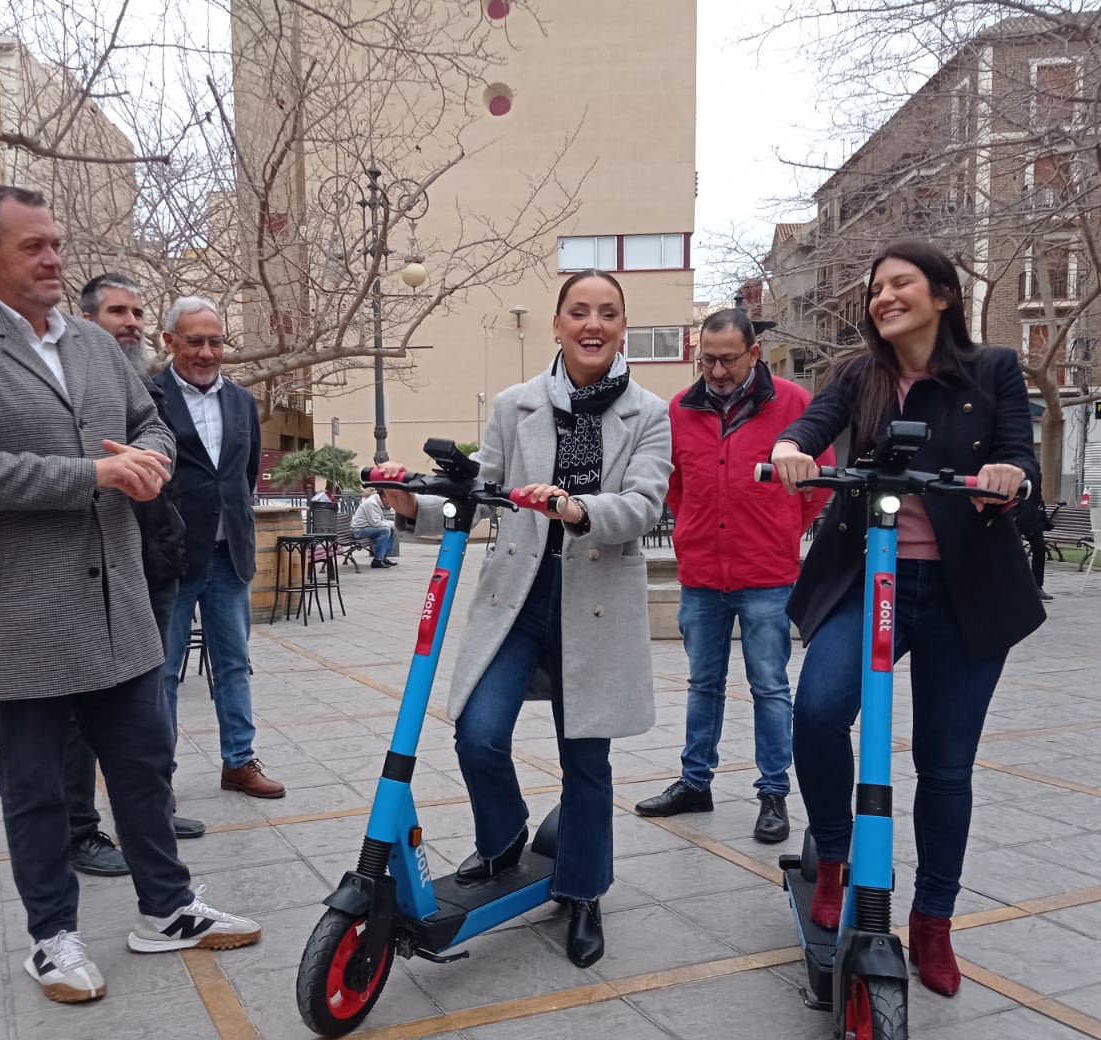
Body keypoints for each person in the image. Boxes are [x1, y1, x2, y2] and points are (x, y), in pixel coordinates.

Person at [0, 186, 260, 1004]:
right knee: (38, 787)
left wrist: (151, 458)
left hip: (119, 610)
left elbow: (153, 421)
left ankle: (167, 909)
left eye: (57, 243)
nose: (55, 259)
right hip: (16, 615)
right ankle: (53, 938)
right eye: (34, 247)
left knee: (144, 765)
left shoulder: (98, 348)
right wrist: (94, 474)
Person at [769, 239, 1044, 998]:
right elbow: (814, 424)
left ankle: (933, 921)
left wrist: (1009, 474)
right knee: (818, 710)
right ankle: (835, 857)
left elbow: (1022, 452)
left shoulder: (991, 370)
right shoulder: (862, 374)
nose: (884, 297)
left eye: (901, 284)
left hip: (965, 590)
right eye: (876, 287)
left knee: (945, 766)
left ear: (943, 295)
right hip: (870, 577)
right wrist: (792, 446)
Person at [378, 269, 672, 968]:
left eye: (607, 312)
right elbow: (480, 491)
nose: (592, 324)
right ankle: (505, 836)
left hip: (596, 604)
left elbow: (646, 505)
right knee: (478, 732)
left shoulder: (648, 412)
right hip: (519, 598)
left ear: (623, 326)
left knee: (585, 760)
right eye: (579, 311)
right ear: (558, 324)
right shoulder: (514, 405)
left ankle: (583, 890)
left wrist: (578, 509)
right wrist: (409, 507)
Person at [634, 309, 832, 842]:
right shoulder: (679, 408)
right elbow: (673, 485)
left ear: (753, 354)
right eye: (707, 359)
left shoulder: (794, 406)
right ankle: (695, 781)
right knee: (703, 684)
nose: (716, 371)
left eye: (727, 359)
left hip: (767, 573)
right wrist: (691, 531)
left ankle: (773, 794)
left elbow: (820, 483)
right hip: (701, 573)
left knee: (770, 687)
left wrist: (784, 527)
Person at [58, 273, 200, 880]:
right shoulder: (61, 382)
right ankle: (79, 830)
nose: (133, 322)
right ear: (87, 319)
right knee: (80, 711)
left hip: (154, 557)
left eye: (139, 311)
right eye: (119, 311)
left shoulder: (139, 381)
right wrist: (106, 466)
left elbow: (158, 434)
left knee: (146, 701)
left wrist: (151, 453)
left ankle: (150, 809)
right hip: (88, 567)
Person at [156, 297, 286, 799]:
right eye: (195, 341)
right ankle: (158, 772)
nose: (208, 352)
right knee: (165, 668)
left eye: (215, 341)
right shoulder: (150, 397)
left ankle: (239, 760)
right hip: (171, 556)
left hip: (229, 553)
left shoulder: (241, 402)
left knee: (233, 662)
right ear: (170, 342)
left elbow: (243, 475)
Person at [349, 487, 398, 567]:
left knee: (391, 529)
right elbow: (376, 523)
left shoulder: (376, 502)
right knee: (385, 530)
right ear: (383, 497)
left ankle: (383, 557)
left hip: (366, 528)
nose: (390, 503)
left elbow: (378, 521)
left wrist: (394, 525)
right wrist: (393, 524)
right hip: (358, 531)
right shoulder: (372, 503)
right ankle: (377, 561)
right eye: (389, 499)